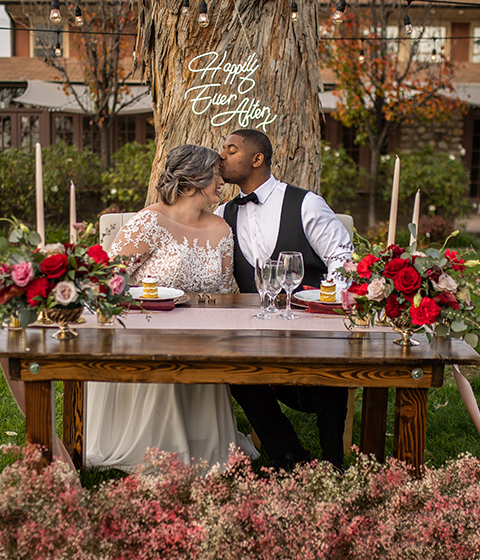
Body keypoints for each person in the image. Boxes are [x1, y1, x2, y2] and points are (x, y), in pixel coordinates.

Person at [84, 144, 259, 471]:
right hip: (146, 329)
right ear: (193, 179)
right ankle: (152, 446)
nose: (222, 181)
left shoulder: (221, 230)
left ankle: (200, 442)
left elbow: (221, 292)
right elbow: (110, 282)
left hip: (202, 332)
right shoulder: (150, 221)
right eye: (216, 174)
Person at [215, 129, 353, 470]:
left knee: (328, 371)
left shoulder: (306, 203)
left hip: (311, 325)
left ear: (257, 159)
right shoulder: (223, 213)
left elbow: (342, 257)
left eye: (231, 150)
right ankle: (289, 454)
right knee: (232, 369)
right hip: (255, 330)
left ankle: (335, 464)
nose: (222, 157)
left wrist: (325, 302)